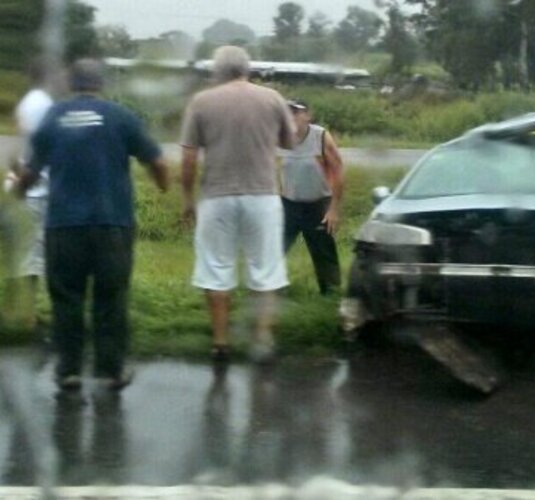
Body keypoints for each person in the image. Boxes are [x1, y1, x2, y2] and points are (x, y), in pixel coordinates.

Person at [16, 58, 170, 391]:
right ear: (101, 84)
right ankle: (110, 371)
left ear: (71, 83)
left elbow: (29, 172)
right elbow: (156, 161)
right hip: (111, 223)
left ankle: (68, 371)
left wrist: (18, 190)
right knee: (111, 297)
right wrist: (163, 185)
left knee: (66, 298)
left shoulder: (53, 118)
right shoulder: (121, 117)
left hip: (64, 225)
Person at [180, 46, 295, 363]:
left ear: (217, 71)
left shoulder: (201, 102)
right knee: (266, 269)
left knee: (216, 269)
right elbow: (290, 141)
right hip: (262, 195)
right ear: (248, 69)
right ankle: (262, 340)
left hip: (217, 196)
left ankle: (220, 343)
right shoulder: (271, 98)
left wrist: (188, 200)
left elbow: (189, 158)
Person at [3, 59, 55, 330]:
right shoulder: (46, 105)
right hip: (37, 189)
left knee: (24, 252)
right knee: (34, 254)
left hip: (22, 184)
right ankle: (27, 317)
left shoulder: (25, 104)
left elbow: (15, 149)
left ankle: (20, 312)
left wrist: (16, 176)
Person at [280, 100, 344, 295]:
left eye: (296, 113)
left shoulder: (320, 136)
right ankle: (271, 291)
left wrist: (333, 209)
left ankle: (330, 293)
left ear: (307, 115)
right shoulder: (280, 137)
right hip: (288, 204)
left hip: (318, 204)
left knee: (323, 252)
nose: (291, 118)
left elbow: (338, 171)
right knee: (273, 248)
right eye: (288, 113)